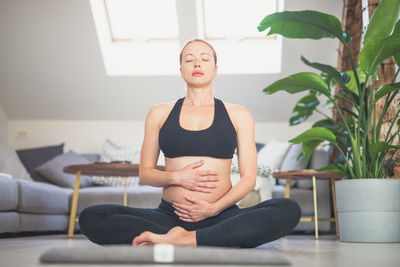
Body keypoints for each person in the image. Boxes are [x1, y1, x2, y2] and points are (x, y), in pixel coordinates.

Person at [79, 39, 301, 248]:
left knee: (287, 209)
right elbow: (146, 173)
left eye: (205, 59)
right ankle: (210, 239)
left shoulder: (239, 114)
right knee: (92, 217)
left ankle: (183, 240)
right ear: (181, 70)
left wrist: (214, 208)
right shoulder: (159, 113)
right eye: (189, 59)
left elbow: (248, 179)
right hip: (169, 217)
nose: (197, 63)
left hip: (221, 215)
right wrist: (176, 177)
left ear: (215, 69)